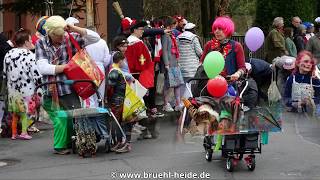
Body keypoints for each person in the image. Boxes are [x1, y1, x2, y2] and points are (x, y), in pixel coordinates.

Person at [35, 16, 100, 155]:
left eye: (62, 34)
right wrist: (69, 67)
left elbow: (96, 38)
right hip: (51, 88)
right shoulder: (41, 43)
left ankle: (79, 142)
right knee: (62, 118)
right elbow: (43, 67)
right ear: (49, 33)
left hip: (69, 88)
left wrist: (74, 28)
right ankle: (65, 145)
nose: (61, 37)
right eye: (58, 35)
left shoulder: (71, 36)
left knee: (76, 116)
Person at [3, 28, 42, 140]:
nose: (32, 42)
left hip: (12, 90)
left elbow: (5, 73)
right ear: (25, 42)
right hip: (27, 90)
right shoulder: (30, 55)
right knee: (26, 114)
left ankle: (14, 133)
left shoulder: (8, 54)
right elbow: (36, 74)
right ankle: (24, 132)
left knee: (15, 113)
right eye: (30, 40)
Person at [107, 51, 134, 153]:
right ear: (121, 61)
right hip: (119, 100)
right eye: (124, 61)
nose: (125, 63)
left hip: (118, 100)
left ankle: (122, 143)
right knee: (123, 122)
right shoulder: (115, 71)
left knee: (120, 122)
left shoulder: (115, 70)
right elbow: (110, 89)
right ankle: (124, 143)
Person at [161, 16, 184, 112]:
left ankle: (178, 103)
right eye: (174, 24)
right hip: (169, 63)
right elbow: (165, 51)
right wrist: (166, 63)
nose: (175, 26)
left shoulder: (171, 35)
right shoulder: (165, 36)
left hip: (175, 62)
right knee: (168, 85)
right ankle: (165, 103)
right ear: (169, 25)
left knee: (177, 84)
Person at [84, 26, 111, 108]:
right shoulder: (102, 42)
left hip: (87, 66)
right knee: (100, 92)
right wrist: (102, 66)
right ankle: (100, 112)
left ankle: (90, 113)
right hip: (100, 67)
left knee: (89, 93)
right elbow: (107, 58)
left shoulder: (84, 41)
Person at [177, 22, 202, 99]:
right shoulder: (194, 38)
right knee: (190, 85)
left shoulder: (178, 37)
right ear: (192, 30)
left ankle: (180, 103)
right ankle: (188, 102)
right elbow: (200, 52)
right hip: (192, 67)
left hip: (181, 66)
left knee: (182, 85)